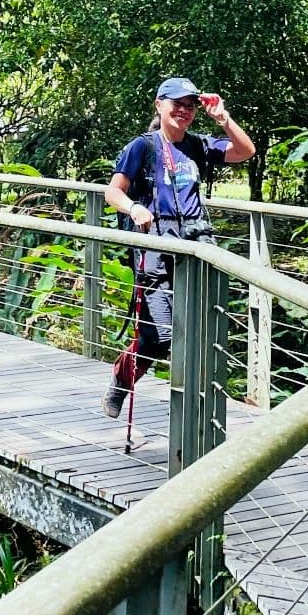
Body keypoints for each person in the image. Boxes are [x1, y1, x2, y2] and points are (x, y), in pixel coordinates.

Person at [101, 76, 256, 419]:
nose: (184, 111)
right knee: (160, 334)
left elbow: (245, 152)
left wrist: (223, 118)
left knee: (202, 327)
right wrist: (134, 208)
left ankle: (195, 411)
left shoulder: (197, 145)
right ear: (159, 105)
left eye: (190, 106)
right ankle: (122, 378)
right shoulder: (142, 146)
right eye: (177, 105)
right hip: (155, 242)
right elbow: (112, 192)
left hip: (195, 244)